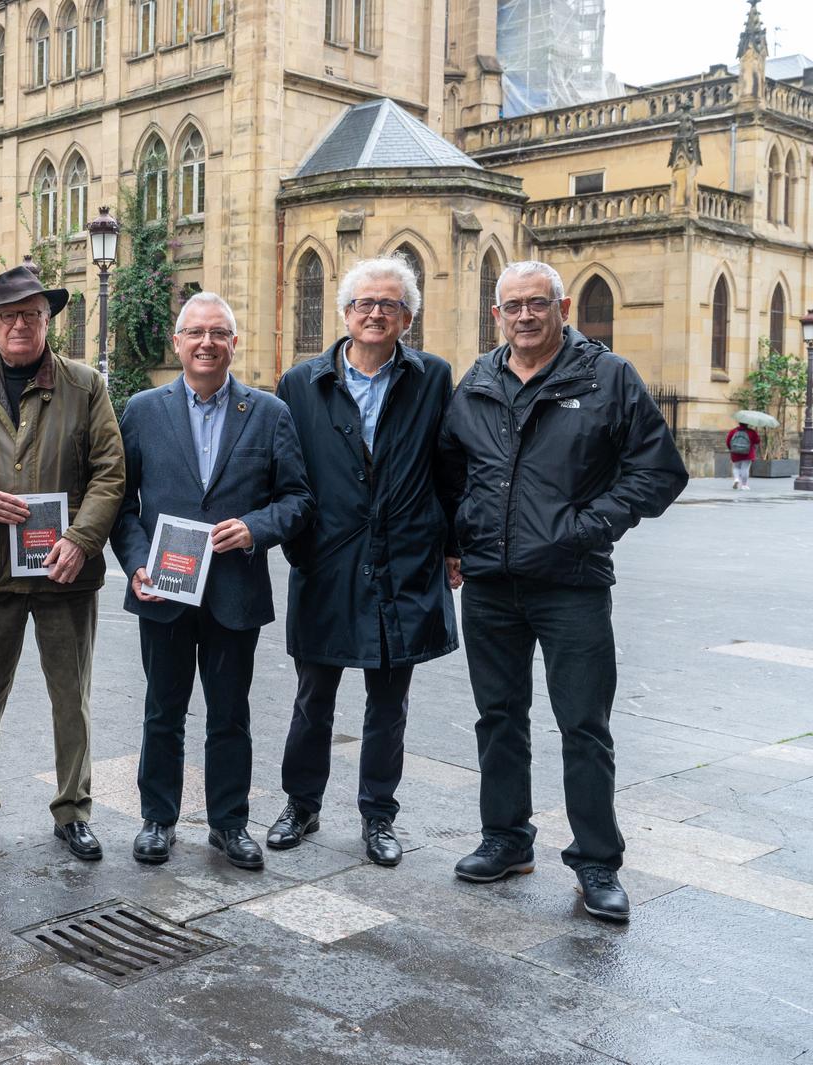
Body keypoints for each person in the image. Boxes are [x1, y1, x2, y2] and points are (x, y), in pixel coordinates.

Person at [440, 260, 688, 922]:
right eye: (512, 305)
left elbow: (659, 470)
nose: (525, 315)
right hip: (490, 583)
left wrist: (587, 528)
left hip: (572, 583)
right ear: (496, 314)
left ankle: (597, 863)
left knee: (584, 725)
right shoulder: (479, 379)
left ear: (563, 307)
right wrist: (458, 538)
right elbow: (451, 469)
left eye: (537, 303)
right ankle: (506, 839)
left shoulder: (608, 378)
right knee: (498, 717)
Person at [111, 292, 312, 870]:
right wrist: (137, 563)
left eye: (218, 333)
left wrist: (253, 529)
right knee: (162, 711)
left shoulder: (268, 412)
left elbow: (297, 499)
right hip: (163, 589)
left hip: (233, 591)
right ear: (177, 343)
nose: (206, 343)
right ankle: (158, 819)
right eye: (195, 333)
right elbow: (121, 503)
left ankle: (229, 824)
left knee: (230, 715)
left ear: (233, 343)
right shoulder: (143, 410)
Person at [270, 257, 458, 868]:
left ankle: (379, 815)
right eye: (364, 303)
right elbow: (283, 473)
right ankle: (301, 804)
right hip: (327, 563)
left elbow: (450, 468)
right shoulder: (301, 383)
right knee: (313, 696)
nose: (376, 313)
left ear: (408, 317)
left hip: (404, 562)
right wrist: (298, 545)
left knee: (389, 702)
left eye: (390, 304)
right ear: (345, 312)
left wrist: (451, 544)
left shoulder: (433, 377)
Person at [0, 263, 125, 861]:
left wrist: (82, 539)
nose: (19, 324)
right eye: (7, 316)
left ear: (48, 320)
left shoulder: (85, 386)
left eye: (30, 314)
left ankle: (73, 810)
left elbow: (110, 472)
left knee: (71, 700)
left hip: (65, 572)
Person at [725, 421, 759, 489]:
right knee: (745, 469)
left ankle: (736, 479)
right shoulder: (751, 432)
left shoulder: (733, 431)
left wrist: (731, 449)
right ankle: (744, 485)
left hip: (735, 453)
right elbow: (757, 441)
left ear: (739, 423)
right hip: (748, 453)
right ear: (747, 424)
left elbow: (728, 441)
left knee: (736, 467)